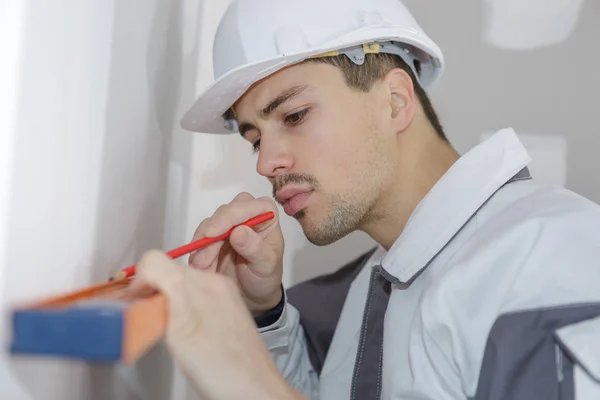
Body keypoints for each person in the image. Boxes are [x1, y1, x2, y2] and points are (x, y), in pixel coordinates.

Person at [130, 0, 600, 399]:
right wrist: (265, 313)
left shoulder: (549, 257)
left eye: (294, 115)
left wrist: (252, 385)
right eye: (255, 139)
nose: (265, 162)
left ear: (394, 101)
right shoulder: (373, 287)